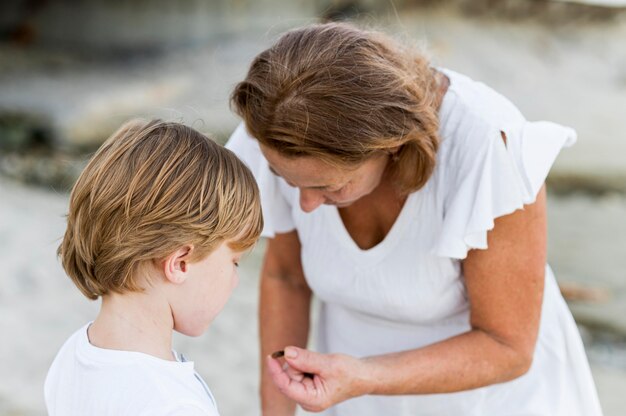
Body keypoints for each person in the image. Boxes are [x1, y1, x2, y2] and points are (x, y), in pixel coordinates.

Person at [226, 22, 603, 415]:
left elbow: (507, 347)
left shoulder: (490, 147)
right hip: (353, 391)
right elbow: (286, 277)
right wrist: (277, 410)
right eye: (285, 180)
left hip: (496, 400)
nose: (305, 204)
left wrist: (365, 376)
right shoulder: (279, 127)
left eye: (330, 187)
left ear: (389, 144)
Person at [45, 119, 263, 416]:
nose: (235, 280)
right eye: (234, 261)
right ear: (179, 262)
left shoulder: (74, 352)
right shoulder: (172, 404)